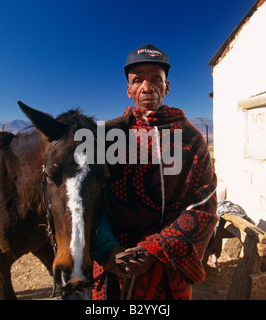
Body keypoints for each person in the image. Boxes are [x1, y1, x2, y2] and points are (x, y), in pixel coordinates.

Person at [91, 43, 218, 300]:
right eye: (137, 80)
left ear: (167, 86)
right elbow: (89, 201)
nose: (147, 87)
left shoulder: (191, 140)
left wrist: (155, 249)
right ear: (129, 90)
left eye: (155, 79)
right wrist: (107, 247)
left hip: (166, 265)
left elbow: (204, 205)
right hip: (114, 262)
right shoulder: (106, 138)